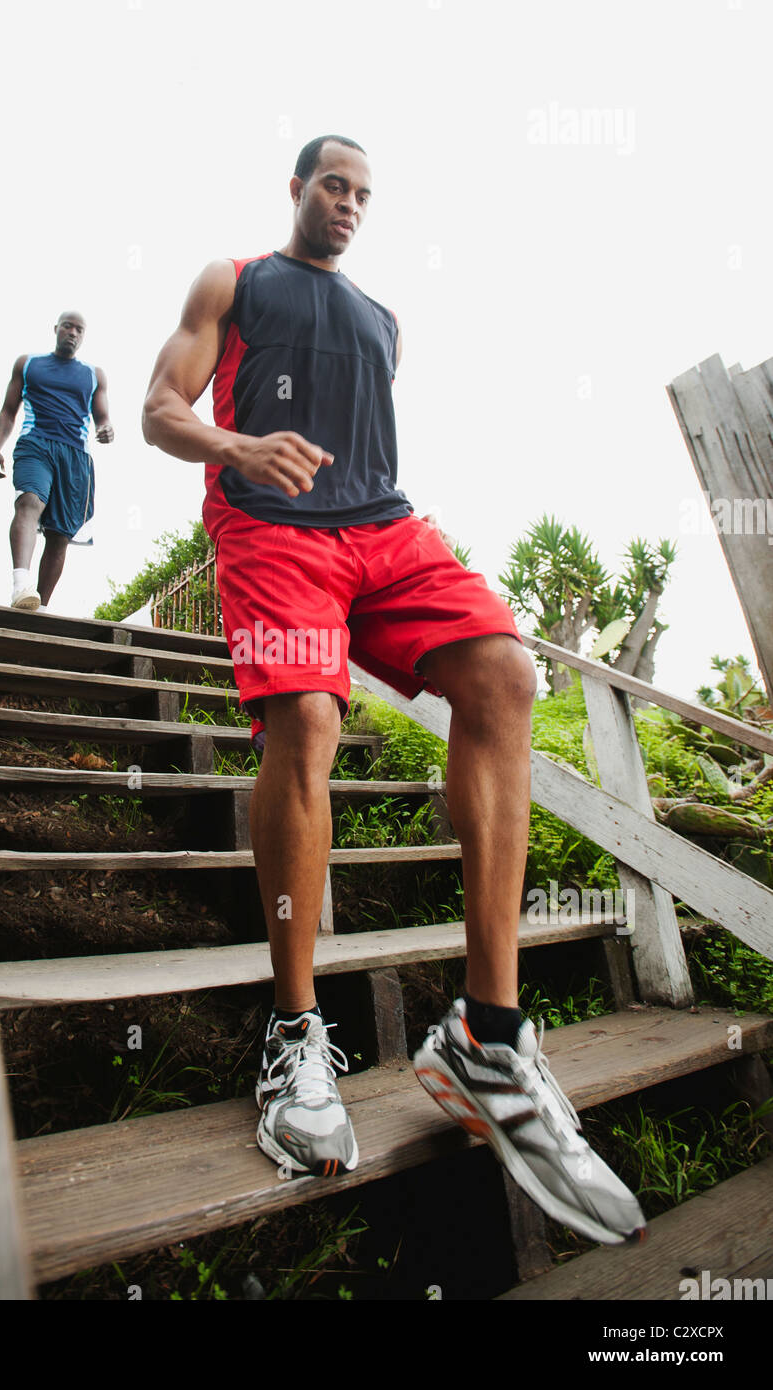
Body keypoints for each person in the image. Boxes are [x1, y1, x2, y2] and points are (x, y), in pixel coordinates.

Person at [141, 135, 645, 1245]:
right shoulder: (231, 281)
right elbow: (159, 411)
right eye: (334, 185)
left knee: (504, 672)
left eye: (365, 194)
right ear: (295, 188)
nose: (349, 205)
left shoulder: (383, 320)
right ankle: (292, 1030)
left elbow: (366, 443)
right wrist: (236, 443)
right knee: (309, 713)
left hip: (379, 528)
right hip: (268, 528)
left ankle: (488, 1034)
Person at [0, 311, 114, 612]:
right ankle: (21, 584)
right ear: (56, 328)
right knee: (29, 501)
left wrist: (106, 428)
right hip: (36, 443)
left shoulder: (93, 374)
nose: (72, 332)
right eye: (67, 326)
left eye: (79, 329)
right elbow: (8, 410)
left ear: (83, 336)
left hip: (76, 455)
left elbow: (103, 417)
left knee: (60, 535)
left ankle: (39, 606)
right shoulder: (28, 364)